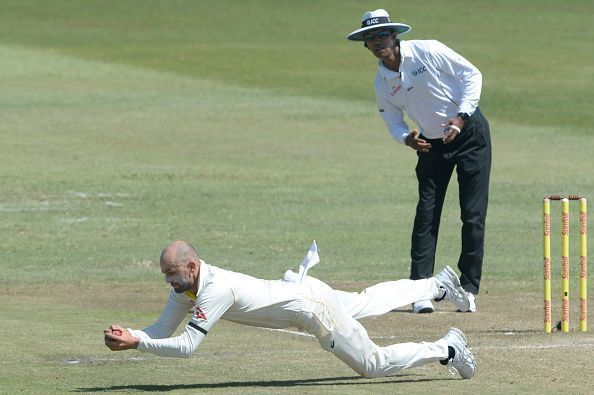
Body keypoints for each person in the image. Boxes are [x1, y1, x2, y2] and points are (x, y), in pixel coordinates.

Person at [104, 240, 476, 379]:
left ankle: (448, 348)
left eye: (172, 274)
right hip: (301, 289)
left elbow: (187, 347)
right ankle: (436, 285)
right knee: (364, 300)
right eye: (165, 275)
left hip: (312, 309)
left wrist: (138, 345)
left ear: (193, 266)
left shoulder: (214, 290)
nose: (168, 281)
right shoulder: (184, 291)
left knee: (373, 365)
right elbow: (161, 331)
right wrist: (135, 335)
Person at [347, 9, 492, 313]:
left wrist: (461, 117)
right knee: (426, 214)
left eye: (382, 35)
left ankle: (468, 289)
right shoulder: (382, 82)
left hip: (469, 135)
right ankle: (420, 289)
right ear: (365, 45)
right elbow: (392, 119)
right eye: (371, 38)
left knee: (473, 213)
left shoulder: (429, 50)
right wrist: (406, 139)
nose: (377, 42)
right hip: (429, 145)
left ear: (394, 36)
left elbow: (472, 75)